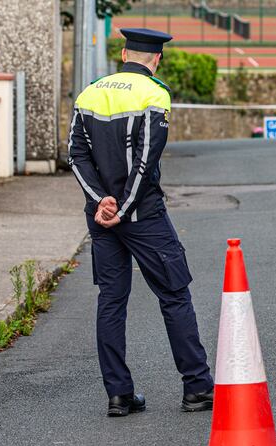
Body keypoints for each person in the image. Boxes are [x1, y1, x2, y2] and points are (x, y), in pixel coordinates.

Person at [68, 28, 214, 417]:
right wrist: (125, 208)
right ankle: (197, 388)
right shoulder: (155, 94)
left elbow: (76, 156)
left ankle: (119, 395)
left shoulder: (90, 92)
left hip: (101, 217)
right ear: (156, 59)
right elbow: (146, 163)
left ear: (123, 53)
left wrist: (102, 203)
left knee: (111, 302)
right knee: (175, 294)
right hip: (143, 215)